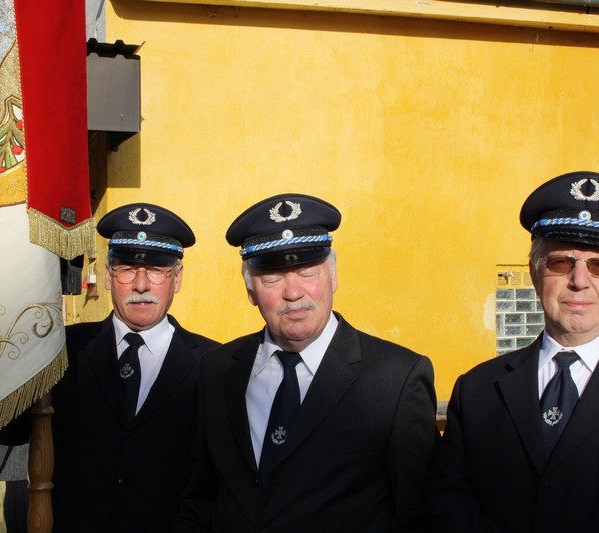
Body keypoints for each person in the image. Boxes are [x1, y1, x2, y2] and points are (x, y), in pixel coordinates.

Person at [430, 171, 599, 531]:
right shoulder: (476, 390)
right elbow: (449, 500)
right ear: (535, 274)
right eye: (561, 263)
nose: (579, 281)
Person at [177, 193, 438, 531]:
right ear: (251, 291)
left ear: (333, 277)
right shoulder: (217, 370)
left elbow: (419, 515)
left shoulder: (396, 380)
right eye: (272, 278)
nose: (293, 292)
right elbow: (199, 499)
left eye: (307, 272)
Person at [51, 203, 219, 532]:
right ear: (109, 275)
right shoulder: (63, 350)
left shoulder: (213, 366)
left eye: (156, 270)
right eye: (127, 269)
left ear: (177, 278)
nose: (141, 285)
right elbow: (13, 434)